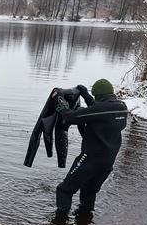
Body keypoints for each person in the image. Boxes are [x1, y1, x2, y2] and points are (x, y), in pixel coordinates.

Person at [54, 79, 129, 215]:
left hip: (89, 160)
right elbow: (99, 111)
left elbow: (71, 117)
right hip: (107, 163)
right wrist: (86, 96)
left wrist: (62, 104)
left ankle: (60, 223)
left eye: (95, 97)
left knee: (64, 190)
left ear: (99, 96)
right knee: (89, 191)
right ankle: (84, 223)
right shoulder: (122, 108)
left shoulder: (100, 110)